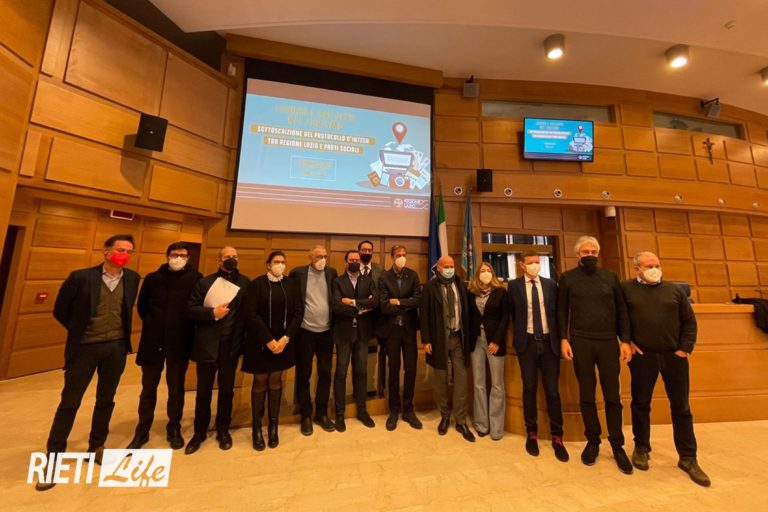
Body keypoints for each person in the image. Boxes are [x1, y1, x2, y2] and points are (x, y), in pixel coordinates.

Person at [37, 234, 140, 491]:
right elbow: (61, 310)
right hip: (84, 348)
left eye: (129, 251)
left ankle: (97, 445)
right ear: (106, 250)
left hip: (116, 347)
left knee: (106, 399)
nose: (124, 255)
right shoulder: (81, 277)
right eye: (120, 249)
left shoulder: (132, 278)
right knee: (70, 402)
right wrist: (79, 331)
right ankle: (54, 456)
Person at [622, 251, 710, 487]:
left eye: (657, 265)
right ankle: (642, 448)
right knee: (640, 404)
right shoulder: (626, 289)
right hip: (643, 357)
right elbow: (620, 318)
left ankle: (688, 457)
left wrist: (684, 348)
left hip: (674, 357)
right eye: (648, 266)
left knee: (681, 407)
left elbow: (689, 321)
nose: (654, 269)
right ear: (637, 269)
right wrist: (627, 341)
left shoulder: (675, 291)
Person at [558, 235, 633, 474]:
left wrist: (625, 340)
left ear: (597, 254)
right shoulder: (567, 278)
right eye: (585, 252)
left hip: (609, 341)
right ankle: (593, 441)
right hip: (580, 341)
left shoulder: (610, 277)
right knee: (587, 394)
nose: (590, 255)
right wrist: (563, 338)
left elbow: (622, 309)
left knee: (613, 396)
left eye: (593, 252)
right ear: (577, 254)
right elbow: (561, 311)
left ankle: (617, 445)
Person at [127, 242, 202, 451]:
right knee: (148, 388)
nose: (178, 258)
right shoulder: (153, 278)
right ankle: (142, 430)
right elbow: (142, 307)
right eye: (175, 254)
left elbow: (197, 307)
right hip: (153, 341)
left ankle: (174, 428)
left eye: (183, 255)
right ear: (167, 256)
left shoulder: (196, 278)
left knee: (176, 388)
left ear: (188, 258)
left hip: (180, 341)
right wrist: (155, 323)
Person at [185, 246, 250, 455]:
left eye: (235, 256)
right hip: (207, 344)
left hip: (231, 346)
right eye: (228, 256)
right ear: (219, 259)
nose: (232, 259)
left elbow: (247, 314)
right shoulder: (205, 282)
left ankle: (223, 429)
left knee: (227, 390)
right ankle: (200, 431)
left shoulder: (245, 282)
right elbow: (191, 309)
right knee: (203, 391)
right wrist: (212, 313)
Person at [508, 252, 568, 461]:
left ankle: (557, 436)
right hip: (527, 344)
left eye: (537, 262)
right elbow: (512, 314)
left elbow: (558, 313)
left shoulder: (551, 284)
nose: (535, 265)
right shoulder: (514, 286)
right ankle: (531, 433)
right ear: (522, 265)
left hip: (550, 344)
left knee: (552, 391)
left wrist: (563, 339)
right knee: (529, 389)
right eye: (530, 262)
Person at [242, 251, 303, 451]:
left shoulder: (291, 284)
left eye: (283, 262)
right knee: (260, 382)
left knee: (276, 381)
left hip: (283, 342)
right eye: (276, 262)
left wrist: (286, 338)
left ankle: (273, 426)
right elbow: (251, 314)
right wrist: (268, 340)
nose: (280, 265)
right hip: (260, 342)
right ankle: (257, 428)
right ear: (268, 265)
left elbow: (298, 312)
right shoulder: (256, 284)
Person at [420, 255, 475, 442]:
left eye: (452, 266)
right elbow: (424, 314)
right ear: (438, 268)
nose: (450, 269)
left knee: (461, 379)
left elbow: (467, 312)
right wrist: (426, 340)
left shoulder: (461, 285)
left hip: (458, 338)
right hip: (439, 339)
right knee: (441, 380)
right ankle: (444, 416)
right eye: (446, 266)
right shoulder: (430, 287)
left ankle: (461, 421)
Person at [289, 245, 338, 435]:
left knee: (325, 374)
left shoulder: (331, 273)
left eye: (325, 256)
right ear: (310, 257)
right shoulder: (298, 273)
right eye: (318, 256)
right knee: (304, 374)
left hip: (326, 333)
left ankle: (322, 413)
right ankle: (306, 414)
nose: (322, 260)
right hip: (305, 332)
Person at [332, 249, 379, 431]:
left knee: (361, 372)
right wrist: (362, 306)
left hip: (362, 334)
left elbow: (374, 302)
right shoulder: (338, 281)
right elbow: (336, 306)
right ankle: (339, 413)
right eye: (351, 259)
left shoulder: (368, 280)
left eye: (357, 259)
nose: (354, 262)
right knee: (341, 373)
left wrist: (352, 303)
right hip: (343, 333)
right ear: (346, 262)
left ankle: (362, 410)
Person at [377, 245, 422, 431]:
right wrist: (406, 305)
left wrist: (398, 302)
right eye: (398, 255)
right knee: (393, 370)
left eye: (404, 254)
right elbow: (384, 305)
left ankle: (409, 409)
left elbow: (418, 300)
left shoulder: (413, 275)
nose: (402, 257)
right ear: (392, 257)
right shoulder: (384, 277)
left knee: (411, 369)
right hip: (392, 330)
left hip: (409, 330)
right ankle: (394, 410)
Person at [468, 262, 509, 441]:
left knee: (497, 385)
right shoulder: (472, 292)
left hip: (494, 342)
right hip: (476, 341)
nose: (485, 273)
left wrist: (497, 341)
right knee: (479, 384)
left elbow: (505, 318)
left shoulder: (501, 292)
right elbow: (470, 316)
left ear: (493, 273)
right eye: (482, 271)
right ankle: (482, 424)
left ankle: (497, 428)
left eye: (488, 270)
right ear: (478, 274)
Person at [358, 239, 386, 398]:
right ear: (359, 251)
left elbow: (383, 291)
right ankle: (359, 389)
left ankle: (371, 386)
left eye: (369, 250)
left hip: (375, 320)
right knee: (359, 357)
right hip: (357, 319)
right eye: (364, 250)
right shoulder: (353, 267)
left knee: (373, 356)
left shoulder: (379, 269)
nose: (367, 252)